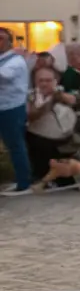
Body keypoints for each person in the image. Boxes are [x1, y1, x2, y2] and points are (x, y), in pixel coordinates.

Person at [0, 27, 34, 196]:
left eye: (1, 39)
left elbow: (4, 76)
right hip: (3, 107)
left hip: (12, 108)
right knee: (10, 146)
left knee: (16, 145)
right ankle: (19, 179)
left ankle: (24, 183)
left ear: (9, 42)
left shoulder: (15, 60)